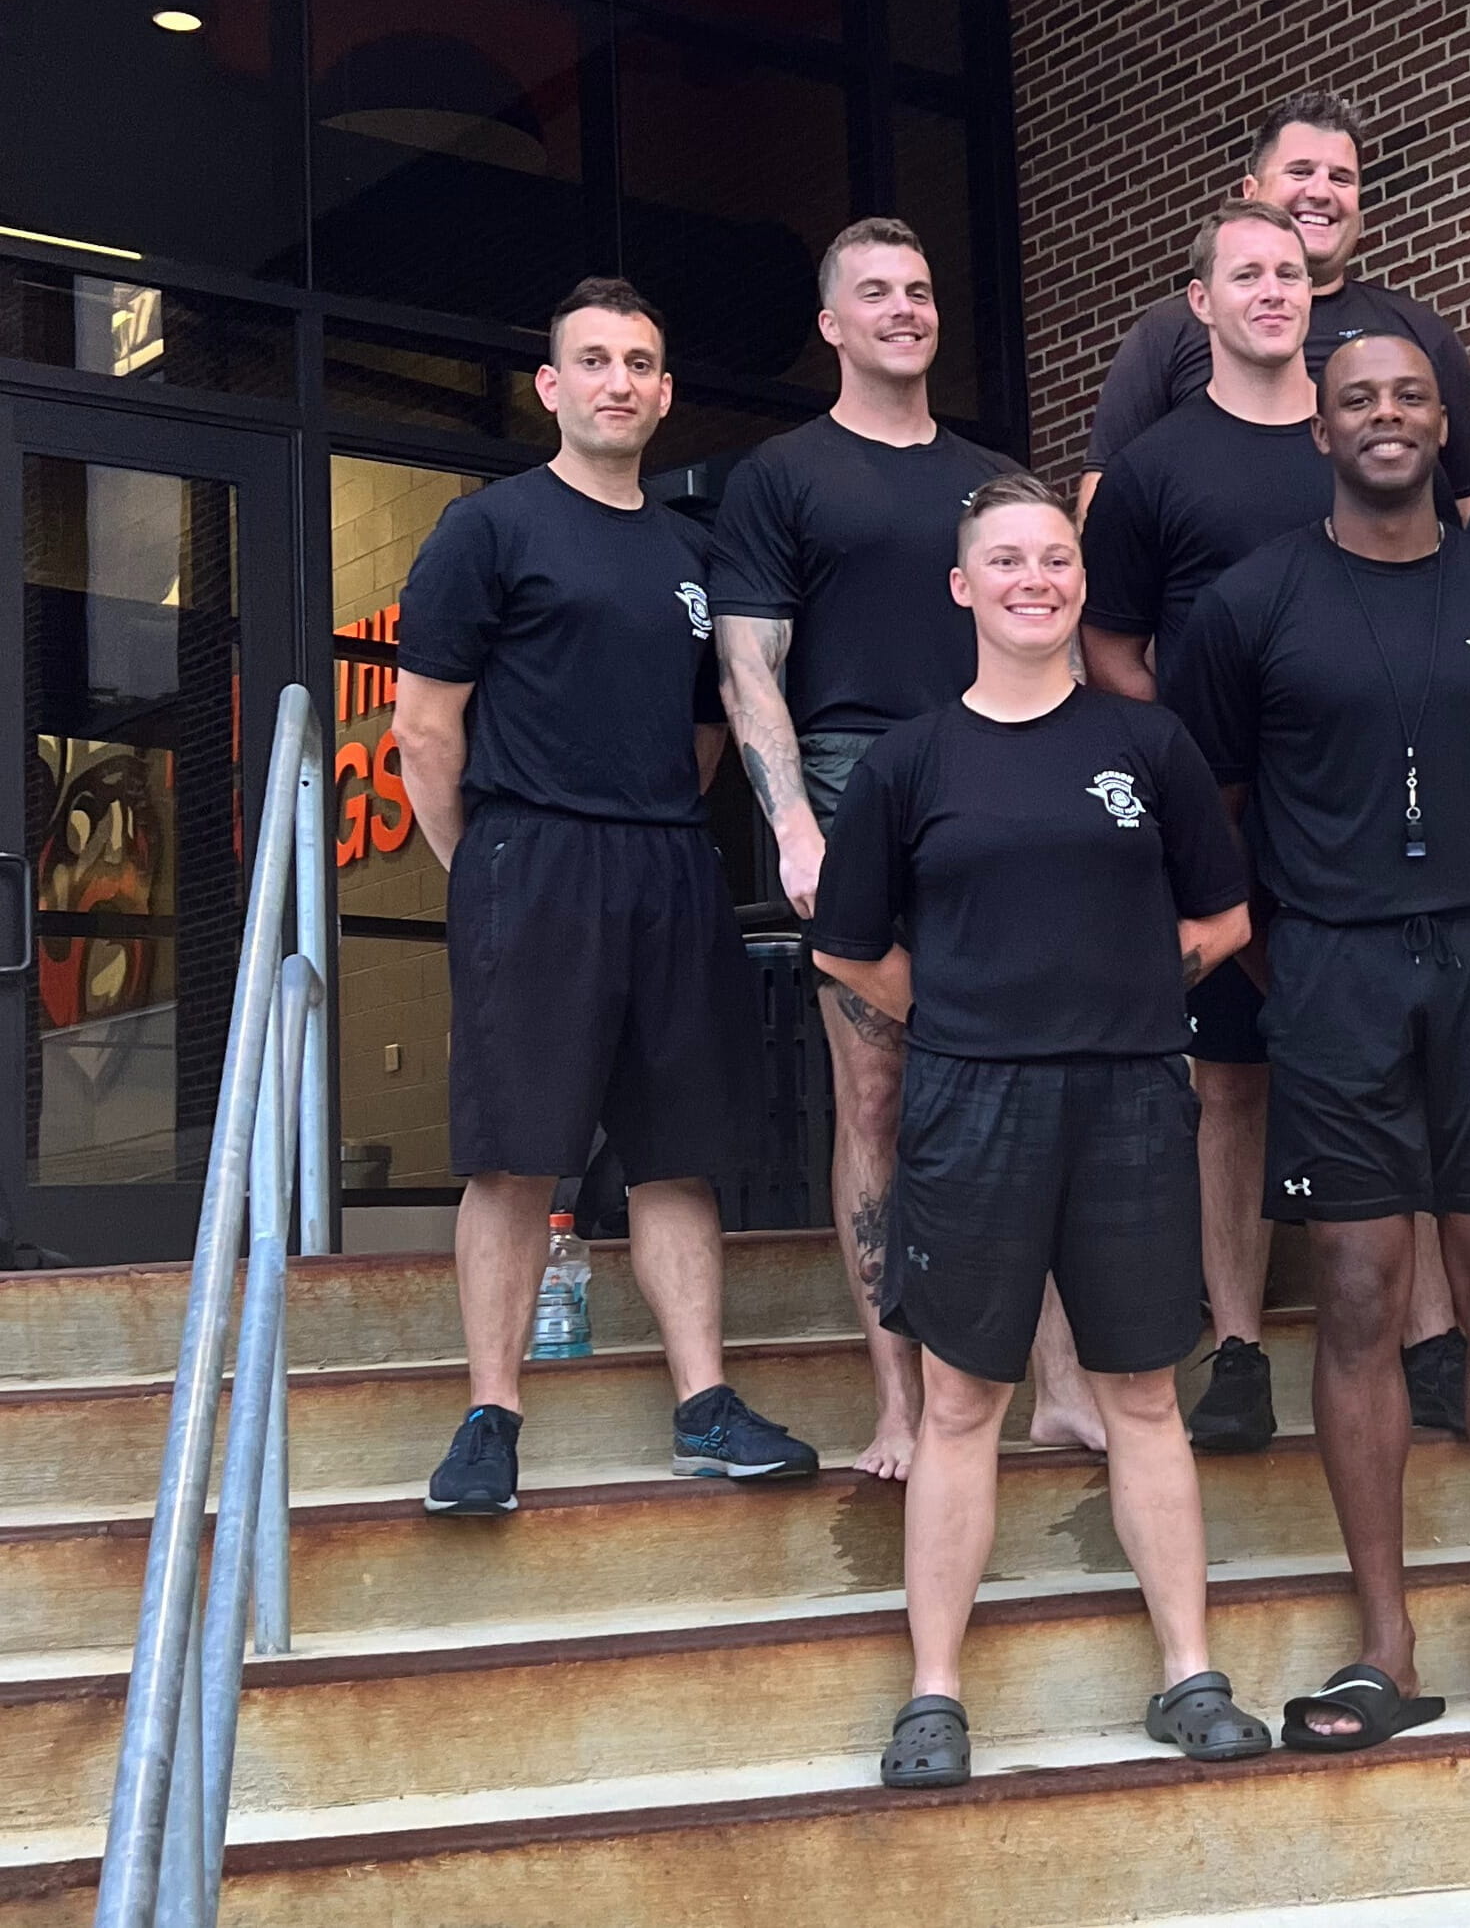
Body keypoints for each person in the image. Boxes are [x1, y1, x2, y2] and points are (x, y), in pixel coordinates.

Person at [1170, 331, 1470, 1747]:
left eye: (1407, 395)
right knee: (1359, 1285)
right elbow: (1205, 803)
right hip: (1331, 974)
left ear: (1444, 422)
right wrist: (1303, 937)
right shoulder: (1252, 602)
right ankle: (1383, 1641)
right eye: (1354, 395)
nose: (1382, 415)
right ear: (1319, 426)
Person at [809, 472, 1271, 1787]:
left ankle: (1189, 1670)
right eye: (1005, 560)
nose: (1033, 579)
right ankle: (935, 1694)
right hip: (971, 1101)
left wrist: (1118, 997)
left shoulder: (1147, 744)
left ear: (1079, 580)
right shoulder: (910, 760)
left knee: (1140, 1393)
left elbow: (1222, 920)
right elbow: (847, 950)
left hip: (1130, 1094)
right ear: (961, 587)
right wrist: (961, 1014)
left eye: (1054, 559)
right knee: (962, 1399)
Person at [396, 276, 817, 1516]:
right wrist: (486, 866)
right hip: (533, 860)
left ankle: (704, 1404)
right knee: (517, 1153)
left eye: (640, 362)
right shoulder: (492, 529)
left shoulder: (696, 553)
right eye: (594, 360)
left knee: (681, 1153)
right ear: (552, 386)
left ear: (666, 391)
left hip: (669, 863)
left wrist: (641, 832)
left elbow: (705, 736)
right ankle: (491, 1415)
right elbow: (426, 728)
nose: (619, 381)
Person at [709, 218, 1102, 1482]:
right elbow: (748, 664)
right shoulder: (781, 475)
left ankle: (1055, 1382)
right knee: (876, 1094)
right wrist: (792, 826)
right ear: (830, 323)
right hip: (853, 782)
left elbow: (1056, 634)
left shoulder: (992, 482)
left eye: (921, 290)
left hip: (1002, 774)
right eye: (873, 292)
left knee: (1032, 1082)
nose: (903, 309)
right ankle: (902, 1403)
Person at [1081, 198, 1468, 1450]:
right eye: (1245, 275)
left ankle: (1435, 1340)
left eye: (1291, 274)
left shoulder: (1360, 432)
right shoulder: (1152, 471)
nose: (1272, 292)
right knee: (1232, 1083)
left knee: (1415, 1069)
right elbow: (1111, 647)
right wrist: (1197, 771)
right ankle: (1238, 1346)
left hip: (1382, 817)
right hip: (1229, 829)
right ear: (1200, 304)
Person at [1077, 91, 1470, 522]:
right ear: (1250, 192)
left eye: (1341, 178)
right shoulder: (1170, 330)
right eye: (1300, 171)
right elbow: (1104, 503)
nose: (1321, 191)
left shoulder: (1419, 333)